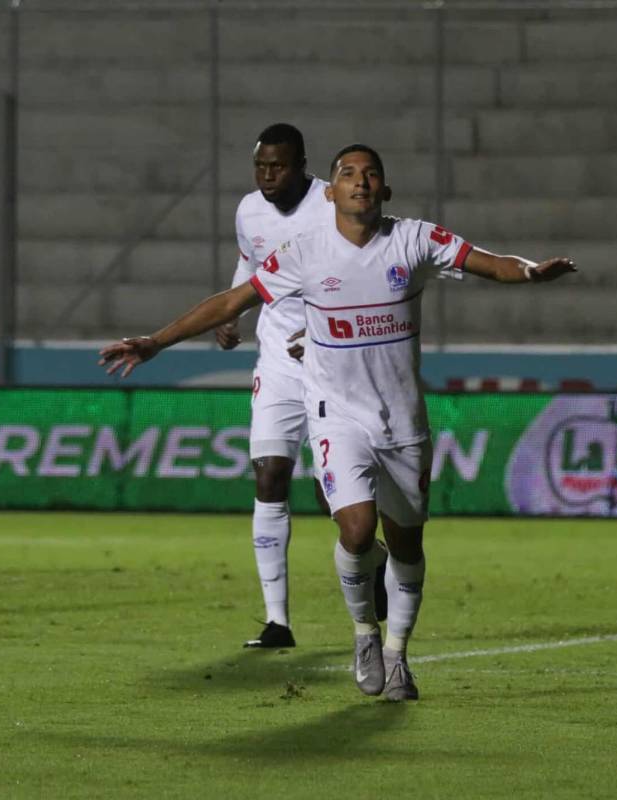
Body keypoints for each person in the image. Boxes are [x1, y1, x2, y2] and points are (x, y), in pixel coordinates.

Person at [100, 144, 577, 700]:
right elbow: (232, 302)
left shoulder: (414, 239)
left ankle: (398, 654)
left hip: (401, 422)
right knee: (354, 529)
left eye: (371, 174)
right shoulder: (305, 252)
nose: (360, 182)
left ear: (386, 190)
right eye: (348, 174)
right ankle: (364, 634)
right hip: (336, 416)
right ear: (330, 192)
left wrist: (531, 273)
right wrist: (157, 342)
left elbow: (488, 262)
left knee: (406, 548)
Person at [219, 123, 386, 650]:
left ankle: (373, 557)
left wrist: (320, 331)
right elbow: (250, 261)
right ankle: (277, 621)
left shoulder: (330, 203)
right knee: (269, 476)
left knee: (329, 495)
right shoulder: (249, 209)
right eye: (261, 166)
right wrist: (231, 309)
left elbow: (356, 268)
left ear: (303, 166)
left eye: (279, 166)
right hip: (276, 359)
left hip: (330, 361)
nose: (269, 175)